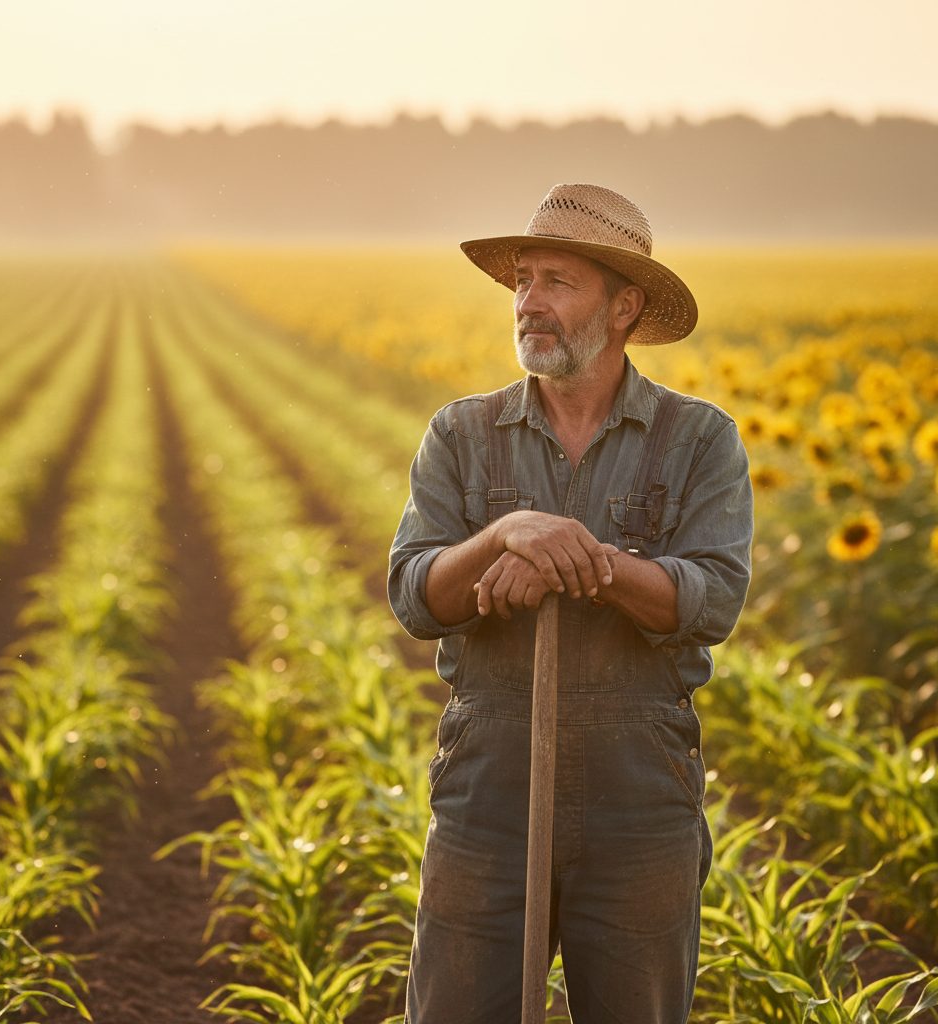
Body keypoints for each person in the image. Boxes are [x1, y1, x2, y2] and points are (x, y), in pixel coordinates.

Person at [388, 182, 753, 1024]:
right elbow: (416, 594)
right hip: (488, 789)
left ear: (624, 306)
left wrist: (575, 558)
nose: (528, 303)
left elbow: (708, 601)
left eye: (558, 282)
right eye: (523, 280)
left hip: (640, 799)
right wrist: (506, 534)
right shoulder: (461, 434)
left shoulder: (699, 440)